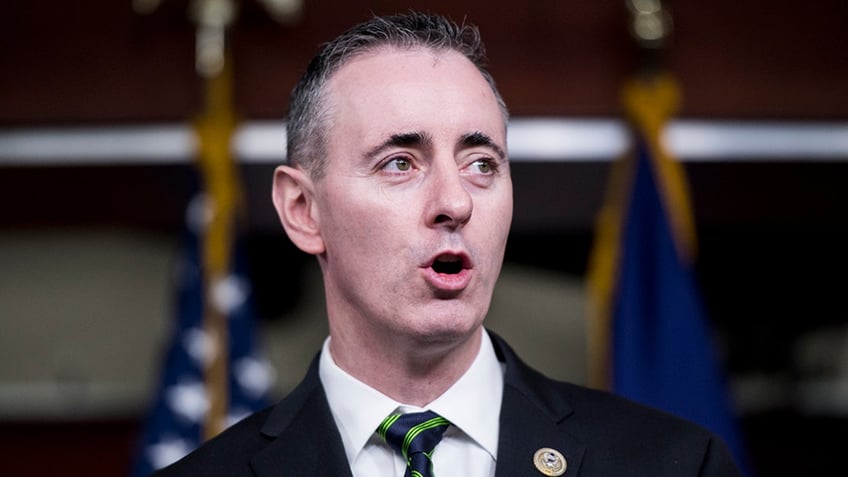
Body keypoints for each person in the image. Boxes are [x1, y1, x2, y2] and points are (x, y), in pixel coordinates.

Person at [155, 11, 742, 477]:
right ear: (303, 211)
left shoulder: (676, 464)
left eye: (482, 163)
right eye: (400, 163)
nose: (455, 201)